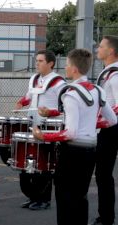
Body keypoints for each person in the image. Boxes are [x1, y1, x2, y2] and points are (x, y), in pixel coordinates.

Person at [33, 48, 117, 225]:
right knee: (81, 196)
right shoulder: (97, 90)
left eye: (68, 65)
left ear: (75, 69)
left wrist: (44, 136)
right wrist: (88, 124)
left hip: (72, 152)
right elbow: (112, 120)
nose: (66, 68)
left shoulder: (70, 94)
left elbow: (70, 132)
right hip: (91, 150)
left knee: (65, 198)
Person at [14, 50, 66, 210]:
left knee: (45, 163)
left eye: (41, 61)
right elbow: (29, 96)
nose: (37, 63)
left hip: (49, 126)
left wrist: (50, 112)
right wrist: (21, 102)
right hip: (33, 123)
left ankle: (44, 199)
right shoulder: (34, 78)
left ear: (50, 63)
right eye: (36, 60)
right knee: (32, 161)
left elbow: (65, 107)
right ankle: (33, 197)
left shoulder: (59, 82)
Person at [92, 35, 118, 225]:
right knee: (103, 175)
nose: (97, 49)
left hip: (111, 129)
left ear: (111, 51)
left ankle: (107, 217)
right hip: (108, 129)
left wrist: (99, 121)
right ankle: (106, 215)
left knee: (103, 175)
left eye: (101, 46)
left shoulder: (115, 75)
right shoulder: (108, 72)